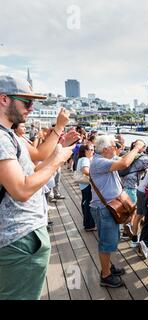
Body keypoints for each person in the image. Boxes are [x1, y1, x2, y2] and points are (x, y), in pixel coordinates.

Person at [0, 75, 74, 299]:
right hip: (18, 237)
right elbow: (21, 190)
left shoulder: (9, 135)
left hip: (21, 235)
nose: (31, 108)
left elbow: (39, 154)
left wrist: (59, 129)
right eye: (27, 102)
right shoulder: (2, 139)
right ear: (4, 99)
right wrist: (58, 161)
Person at [89, 135, 145, 288]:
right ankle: (105, 275)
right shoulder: (99, 162)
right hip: (104, 209)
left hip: (108, 207)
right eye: (114, 145)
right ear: (106, 149)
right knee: (107, 243)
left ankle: (108, 267)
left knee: (109, 240)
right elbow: (125, 162)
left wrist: (131, 149)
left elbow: (124, 159)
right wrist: (137, 147)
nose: (116, 147)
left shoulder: (104, 159)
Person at [123, 143, 148, 247]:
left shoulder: (140, 158)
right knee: (138, 215)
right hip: (137, 187)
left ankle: (134, 236)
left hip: (134, 186)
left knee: (138, 214)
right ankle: (135, 239)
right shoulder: (147, 160)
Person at [76, 144, 96, 231]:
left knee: (85, 202)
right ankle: (89, 224)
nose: (92, 151)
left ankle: (87, 223)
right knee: (88, 203)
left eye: (93, 149)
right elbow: (85, 170)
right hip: (87, 184)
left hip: (83, 184)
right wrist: (95, 175)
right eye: (91, 150)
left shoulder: (81, 159)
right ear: (85, 151)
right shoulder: (85, 159)